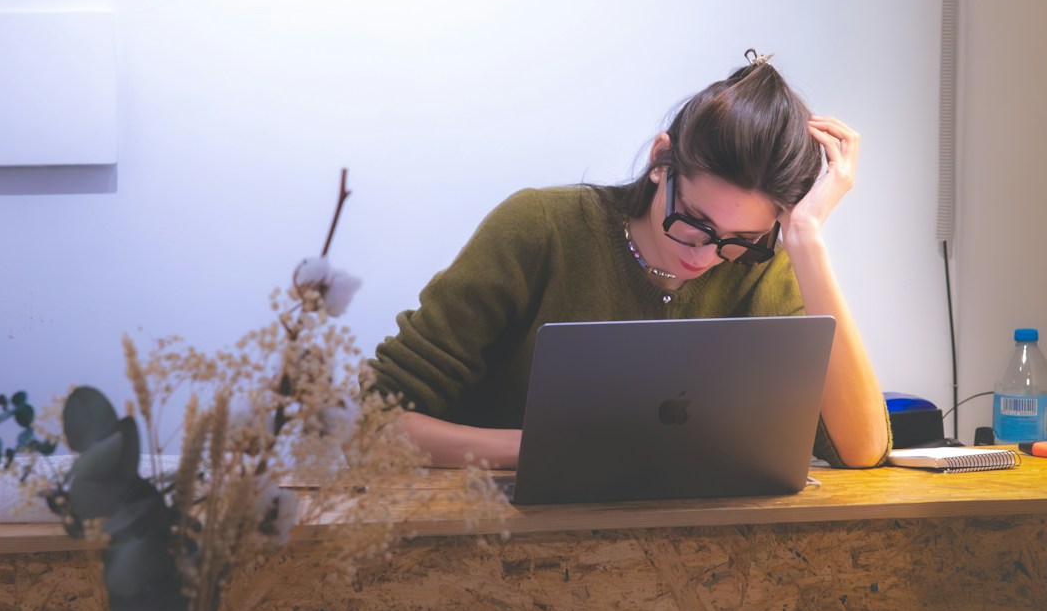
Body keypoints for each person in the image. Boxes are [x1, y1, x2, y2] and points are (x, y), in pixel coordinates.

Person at [372, 53, 891, 471]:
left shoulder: (758, 265)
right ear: (661, 162)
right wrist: (551, 449)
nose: (707, 254)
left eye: (742, 238)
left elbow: (861, 448)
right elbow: (375, 425)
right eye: (694, 220)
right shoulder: (541, 229)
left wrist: (804, 238)